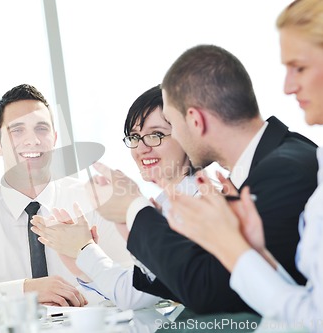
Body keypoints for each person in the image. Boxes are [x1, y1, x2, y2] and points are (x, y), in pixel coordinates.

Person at [165, 0, 323, 331]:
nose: (288, 86)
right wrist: (257, 254)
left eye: (299, 67)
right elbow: (321, 303)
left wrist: (233, 249)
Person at [85, 44, 319, 314]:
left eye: (170, 125)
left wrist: (134, 209)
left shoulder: (281, 173)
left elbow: (213, 292)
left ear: (194, 120)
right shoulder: (275, 160)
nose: (143, 146)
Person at [0, 84, 131, 309]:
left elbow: (131, 284)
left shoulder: (92, 202)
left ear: (54, 138)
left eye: (41, 128)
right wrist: (24, 290)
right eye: (17, 130)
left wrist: (88, 272)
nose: (32, 140)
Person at [31, 85, 199, 310]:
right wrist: (82, 265)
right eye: (135, 137)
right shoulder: (167, 203)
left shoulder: (199, 203)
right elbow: (140, 288)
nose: (141, 148)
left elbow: (137, 296)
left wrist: (85, 249)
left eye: (155, 135)